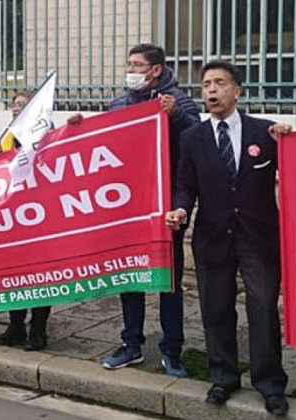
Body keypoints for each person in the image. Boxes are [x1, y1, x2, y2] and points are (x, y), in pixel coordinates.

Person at [165, 60, 291, 417]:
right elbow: (185, 185)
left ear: (236, 91)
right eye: (206, 85)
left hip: (258, 237)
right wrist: (180, 210)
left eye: (219, 83)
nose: (211, 90)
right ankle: (223, 377)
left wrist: (288, 139)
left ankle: (270, 383)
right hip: (213, 236)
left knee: (263, 308)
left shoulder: (265, 133)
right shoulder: (194, 138)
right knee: (217, 310)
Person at [68, 44, 200, 377]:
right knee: (128, 274)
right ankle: (131, 344)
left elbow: (196, 143)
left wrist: (177, 117)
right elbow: (106, 143)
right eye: (129, 63)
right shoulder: (121, 102)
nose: (131, 70)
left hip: (166, 203)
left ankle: (172, 349)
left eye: (137, 65)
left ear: (156, 70)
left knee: (168, 279)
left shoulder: (179, 101)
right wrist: (80, 128)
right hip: (127, 204)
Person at [0, 90, 51, 351]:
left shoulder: (47, 135)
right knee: (12, 273)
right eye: (14, 105)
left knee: (41, 276)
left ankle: (38, 330)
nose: (16, 109)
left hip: (40, 215)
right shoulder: (6, 139)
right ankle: (15, 326)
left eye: (23, 105)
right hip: (11, 217)